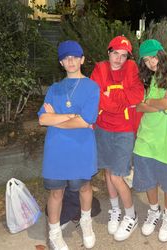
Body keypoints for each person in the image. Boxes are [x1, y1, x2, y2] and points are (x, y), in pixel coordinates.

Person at [38, 40, 100, 250]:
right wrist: (71, 116)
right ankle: (54, 233)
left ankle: (86, 222)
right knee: (56, 193)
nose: (70, 60)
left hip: (81, 148)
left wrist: (56, 117)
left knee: (84, 187)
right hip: (56, 150)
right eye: (66, 58)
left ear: (82, 60)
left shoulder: (92, 87)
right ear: (61, 63)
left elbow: (87, 120)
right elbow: (42, 120)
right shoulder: (55, 89)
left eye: (74, 56)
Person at [133, 39, 167, 243]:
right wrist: (158, 103)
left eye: (153, 57)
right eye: (146, 60)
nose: (150, 62)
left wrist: (151, 103)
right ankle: (154, 211)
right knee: (148, 178)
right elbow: (139, 107)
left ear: (162, 54)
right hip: (146, 138)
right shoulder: (148, 79)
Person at [90, 36, 144, 241]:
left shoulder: (131, 69)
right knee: (108, 170)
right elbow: (96, 97)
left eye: (123, 55)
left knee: (117, 175)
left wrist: (110, 100)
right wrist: (121, 100)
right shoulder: (100, 69)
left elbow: (138, 95)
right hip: (103, 128)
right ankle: (115, 209)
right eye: (115, 54)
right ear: (109, 52)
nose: (119, 59)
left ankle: (131, 215)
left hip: (124, 129)